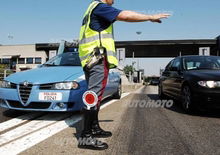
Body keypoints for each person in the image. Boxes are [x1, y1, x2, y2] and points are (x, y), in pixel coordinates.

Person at [78, 0, 170, 150]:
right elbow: (125, 15)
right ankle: (86, 136)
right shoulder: (101, 7)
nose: (114, 0)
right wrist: (149, 17)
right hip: (97, 59)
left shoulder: (90, 9)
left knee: (96, 95)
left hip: (90, 59)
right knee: (93, 96)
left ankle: (94, 128)